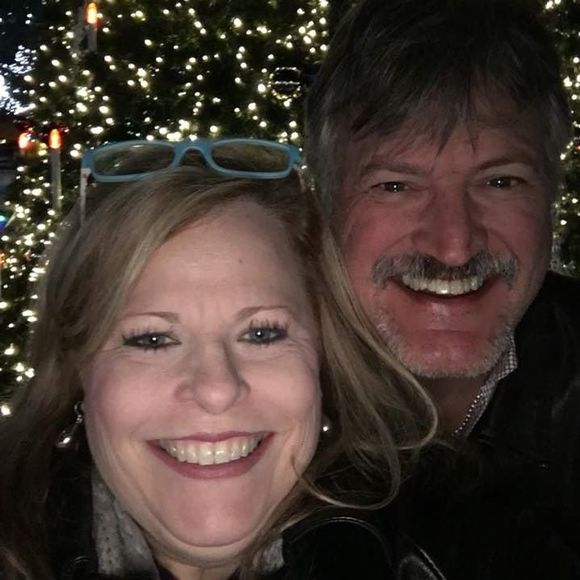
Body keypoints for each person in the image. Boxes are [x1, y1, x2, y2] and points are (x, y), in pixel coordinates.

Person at [0, 138, 439, 579]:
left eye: (262, 333)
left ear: (324, 351)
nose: (217, 389)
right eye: (152, 339)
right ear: (78, 366)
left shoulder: (448, 541)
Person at [305, 0, 580, 577]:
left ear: (551, 193)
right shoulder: (243, 386)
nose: (453, 246)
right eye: (396, 185)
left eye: (500, 181)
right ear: (324, 200)